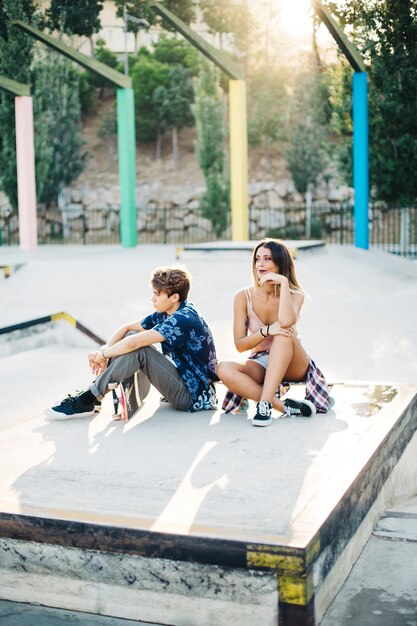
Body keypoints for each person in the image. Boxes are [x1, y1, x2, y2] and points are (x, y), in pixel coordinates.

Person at [45, 266, 218, 420]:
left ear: (174, 297)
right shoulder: (169, 311)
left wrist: (103, 356)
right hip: (182, 383)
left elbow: (133, 344)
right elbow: (127, 328)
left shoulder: (185, 318)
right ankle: (95, 394)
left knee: (138, 348)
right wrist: (104, 350)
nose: (152, 299)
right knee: (133, 333)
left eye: (157, 294)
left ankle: (90, 398)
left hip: (193, 397)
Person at [217, 238, 331, 427]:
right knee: (224, 368)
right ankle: (282, 406)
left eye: (267, 259)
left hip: (294, 361)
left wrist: (284, 284)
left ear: (280, 262)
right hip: (262, 359)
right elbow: (240, 345)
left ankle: (263, 406)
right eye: (257, 259)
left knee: (283, 331)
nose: (260, 264)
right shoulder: (243, 297)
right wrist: (267, 330)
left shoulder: (296, 294)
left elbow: (286, 322)